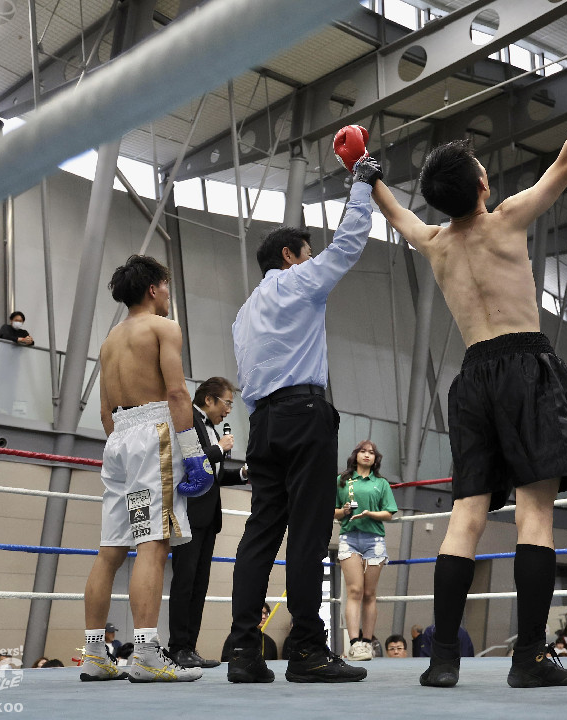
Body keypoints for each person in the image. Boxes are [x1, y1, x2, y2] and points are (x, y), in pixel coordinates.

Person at [365, 42, 567, 690]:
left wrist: (367, 174)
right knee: (534, 514)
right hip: (524, 365)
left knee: (466, 515)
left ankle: (442, 660)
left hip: (471, 378)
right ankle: (529, 658)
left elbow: (397, 213)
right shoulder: (506, 221)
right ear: (482, 186)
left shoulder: (434, 244)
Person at [224, 157, 381, 685]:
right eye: (305, 253)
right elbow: (348, 245)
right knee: (309, 535)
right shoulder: (298, 281)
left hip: (262, 425)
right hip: (304, 415)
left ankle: (243, 652)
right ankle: (308, 650)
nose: (312, 259)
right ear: (290, 256)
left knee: (260, 533)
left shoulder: (243, 313)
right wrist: (361, 185)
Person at [80, 254, 213, 684]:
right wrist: (193, 451)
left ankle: (95, 656)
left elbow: (105, 411)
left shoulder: (109, 342)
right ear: (154, 288)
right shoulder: (162, 327)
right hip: (153, 434)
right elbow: (176, 393)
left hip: (118, 439)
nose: (169, 295)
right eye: (166, 286)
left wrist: (126, 445)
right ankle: (147, 655)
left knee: (110, 549)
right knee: (152, 543)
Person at [169, 376, 250, 669]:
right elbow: (190, 462)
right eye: (226, 403)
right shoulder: (188, 419)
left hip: (207, 516)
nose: (228, 410)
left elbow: (213, 475)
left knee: (199, 583)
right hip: (188, 513)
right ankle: (177, 647)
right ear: (208, 400)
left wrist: (242, 474)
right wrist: (219, 448)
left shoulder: (211, 428)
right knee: (184, 581)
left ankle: (190, 647)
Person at [334, 439, 398, 661]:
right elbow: (331, 510)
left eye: (371, 452)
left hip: (374, 540)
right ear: (356, 455)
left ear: (375, 459)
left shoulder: (381, 483)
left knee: (370, 593)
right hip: (349, 538)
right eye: (363, 451)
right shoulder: (342, 481)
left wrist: (370, 513)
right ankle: (354, 644)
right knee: (354, 591)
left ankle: (368, 643)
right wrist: (343, 511)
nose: (367, 455)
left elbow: (389, 513)